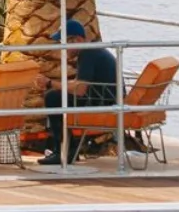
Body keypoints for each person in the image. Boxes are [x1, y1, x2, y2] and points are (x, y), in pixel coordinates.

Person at [38, 18, 120, 165]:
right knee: (57, 95)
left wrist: (50, 83)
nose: (62, 48)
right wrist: (56, 84)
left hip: (103, 102)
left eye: (65, 44)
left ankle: (63, 151)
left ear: (77, 40)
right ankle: (69, 149)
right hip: (107, 97)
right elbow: (80, 84)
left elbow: (80, 90)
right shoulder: (92, 50)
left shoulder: (87, 54)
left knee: (53, 98)